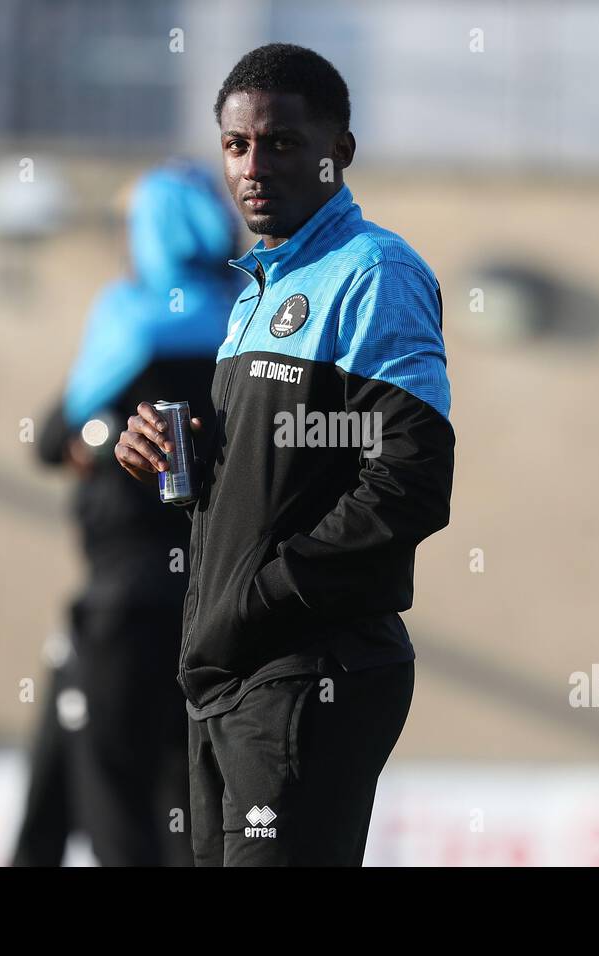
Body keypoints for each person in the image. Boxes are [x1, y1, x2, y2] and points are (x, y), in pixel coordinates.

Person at [115, 44, 456, 866]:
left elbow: (410, 479)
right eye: (236, 146)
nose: (253, 167)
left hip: (309, 671)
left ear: (339, 152)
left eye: (282, 143)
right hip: (226, 676)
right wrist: (175, 463)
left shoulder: (374, 272)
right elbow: (274, 480)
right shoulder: (255, 292)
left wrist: (263, 596)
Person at [12, 160, 240, 866]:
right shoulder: (250, 326)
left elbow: (52, 437)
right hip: (217, 603)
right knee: (183, 795)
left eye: (129, 223)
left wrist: (99, 439)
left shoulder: (134, 323)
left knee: (111, 789)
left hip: (129, 601)